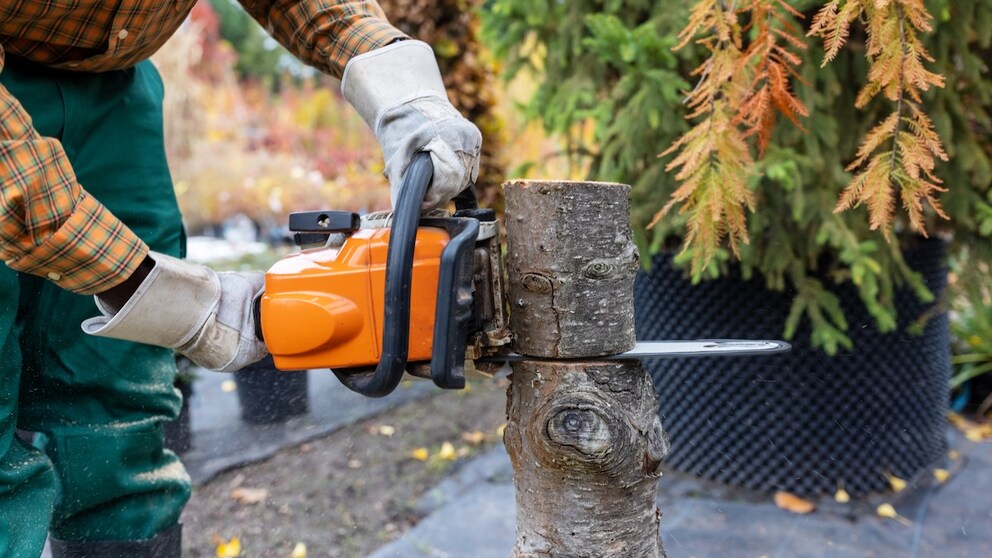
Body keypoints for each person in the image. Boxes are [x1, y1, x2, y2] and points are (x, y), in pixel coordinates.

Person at [0, 1, 481, 555]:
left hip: (114, 93)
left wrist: (400, 83)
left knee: (120, 410)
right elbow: (23, 199)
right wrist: (171, 302)